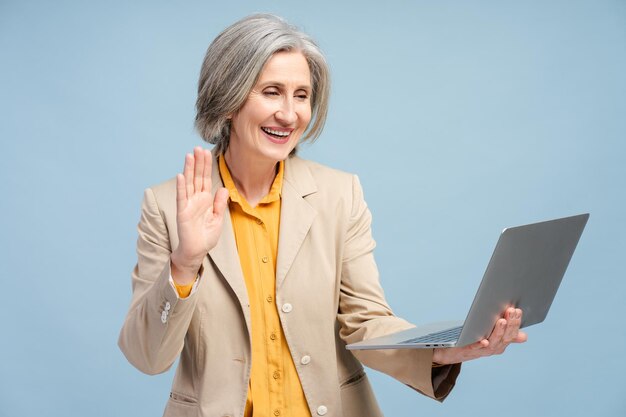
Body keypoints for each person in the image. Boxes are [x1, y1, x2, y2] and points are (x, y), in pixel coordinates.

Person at [118, 14, 527, 417]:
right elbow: (147, 356)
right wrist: (185, 263)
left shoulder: (339, 194)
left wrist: (445, 350)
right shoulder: (167, 205)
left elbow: (365, 323)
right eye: (272, 92)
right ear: (228, 99)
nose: (290, 114)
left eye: (302, 95)